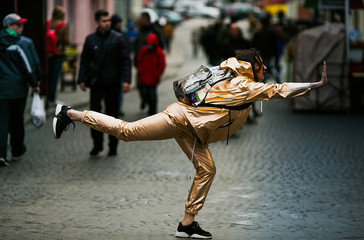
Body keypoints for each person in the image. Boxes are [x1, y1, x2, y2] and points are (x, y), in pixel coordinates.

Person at [53, 48, 328, 238]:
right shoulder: (242, 85)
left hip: (192, 129)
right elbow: (276, 90)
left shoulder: (233, 75)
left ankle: (187, 224)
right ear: (250, 66)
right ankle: (69, 113)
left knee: (207, 169)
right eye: (261, 64)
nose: (265, 68)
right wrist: (313, 85)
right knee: (127, 131)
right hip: (180, 120)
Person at [77, 9, 131, 157]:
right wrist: (81, 79)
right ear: (97, 22)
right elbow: (85, 61)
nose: (108, 23)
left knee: (112, 116)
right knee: (94, 115)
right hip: (97, 83)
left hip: (113, 83)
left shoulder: (118, 38)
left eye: (109, 21)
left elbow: (126, 61)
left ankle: (113, 146)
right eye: (104, 21)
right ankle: (97, 144)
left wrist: (127, 80)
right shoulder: (91, 39)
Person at [0, 13, 40, 166]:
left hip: (2, 89)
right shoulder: (23, 43)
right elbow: (30, 66)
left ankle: (1, 154)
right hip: (17, 89)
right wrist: (34, 83)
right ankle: (17, 150)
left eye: (22, 25)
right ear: (9, 26)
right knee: (17, 120)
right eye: (18, 25)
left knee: (2, 121)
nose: (21, 28)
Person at [134, 11, 164, 110]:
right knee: (140, 86)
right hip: (141, 64)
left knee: (151, 89)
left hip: (152, 66)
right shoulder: (140, 30)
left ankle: (152, 108)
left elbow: (160, 46)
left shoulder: (154, 31)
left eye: (141, 18)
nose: (140, 20)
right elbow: (136, 46)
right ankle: (145, 100)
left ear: (146, 19)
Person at [137, 33, 166, 115]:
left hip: (153, 77)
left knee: (152, 95)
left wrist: (157, 74)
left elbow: (162, 64)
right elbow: (139, 61)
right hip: (144, 76)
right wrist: (140, 71)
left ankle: (152, 110)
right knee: (145, 93)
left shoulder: (158, 52)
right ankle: (145, 103)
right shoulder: (144, 50)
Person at [47, 6, 70, 105]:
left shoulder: (47, 23)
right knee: (55, 77)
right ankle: (52, 98)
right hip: (58, 53)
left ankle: (45, 97)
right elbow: (66, 40)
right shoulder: (63, 25)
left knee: (47, 75)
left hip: (47, 53)